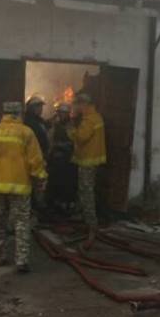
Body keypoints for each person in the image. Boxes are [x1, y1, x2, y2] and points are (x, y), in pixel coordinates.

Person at [0, 100, 47, 273]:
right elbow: (35, 161)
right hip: (20, 187)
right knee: (21, 222)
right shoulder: (26, 133)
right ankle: (21, 260)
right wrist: (40, 181)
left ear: (4, 113)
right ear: (19, 114)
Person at [69, 92, 106, 228]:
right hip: (92, 160)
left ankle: (90, 221)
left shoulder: (89, 120)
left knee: (86, 191)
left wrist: (71, 130)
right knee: (85, 189)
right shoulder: (96, 117)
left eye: (77, 104)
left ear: (83, 104)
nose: (76, 107)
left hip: (87, 160)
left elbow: (81, 137)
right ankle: (82, 215)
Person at [47, 102, 77, 213]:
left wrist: (63, 146)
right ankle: (56, 204)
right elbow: (50, 139)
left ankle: (67, 204)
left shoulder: (72, 126)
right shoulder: (55, 125)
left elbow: (75, 141)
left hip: (68, 160)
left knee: (68, 183)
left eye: (63, 113)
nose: (61, 115)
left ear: (67, 113)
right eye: (59, 113)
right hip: (56, 159)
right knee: (56, 182)